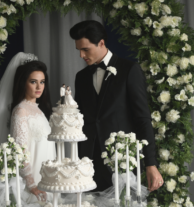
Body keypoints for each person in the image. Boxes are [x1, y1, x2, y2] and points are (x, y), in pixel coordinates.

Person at [70, 20, 163, 192]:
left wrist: (150, 164)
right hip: (87, 164)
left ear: (101, 43)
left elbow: (142, 118)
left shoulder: (129, 70)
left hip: (122, 161)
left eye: (85, 49)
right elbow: (79, 120)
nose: (81, 55)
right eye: (79, 50)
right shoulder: (81, 77)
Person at [0, 53, 56, 206]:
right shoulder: (21, 111)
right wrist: (32, 186)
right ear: (23, 83)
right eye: (33, 82)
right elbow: (20, 152)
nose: (39, 87)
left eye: (42, 82)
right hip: (31, 185)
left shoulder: (38, 110)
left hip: (45, 178)